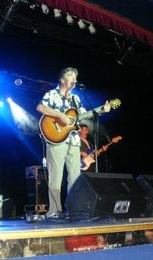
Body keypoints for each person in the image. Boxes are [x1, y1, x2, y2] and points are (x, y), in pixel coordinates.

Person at [36, 67, 110, 217]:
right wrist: (59, 115)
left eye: (75, 76)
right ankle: (54, 212)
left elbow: (83, 116)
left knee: (75, 178)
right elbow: (40, 107)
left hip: (74, 140)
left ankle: (73, 209)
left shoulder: (76, 99)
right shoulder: (52, 94)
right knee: (56, 177)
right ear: (62, 80)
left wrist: (101, 110)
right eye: (70, 75)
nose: (73, 78)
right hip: (56, 138)